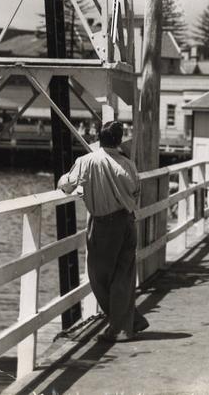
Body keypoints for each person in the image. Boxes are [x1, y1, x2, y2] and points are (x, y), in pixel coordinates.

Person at [57, 120, 148, 343]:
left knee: (98, 277)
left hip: (104, 224)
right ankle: (129, 322)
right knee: (123, 276)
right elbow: (137, 190)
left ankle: (120, 328)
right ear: (118, 140)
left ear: (99, 137)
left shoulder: (87, 161)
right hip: (127, 221)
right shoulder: (128, 163)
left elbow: (65, 185)